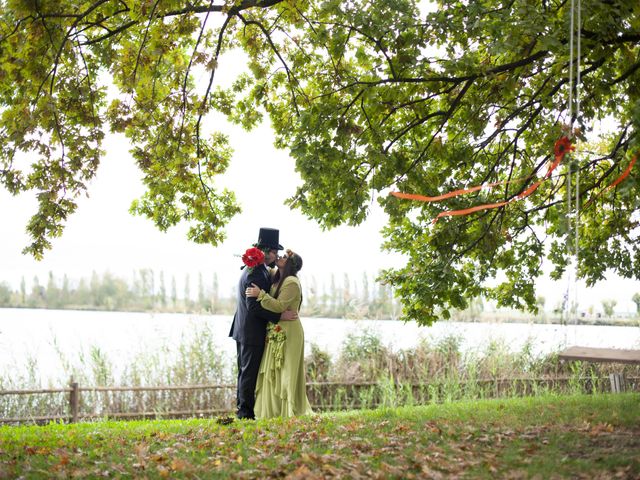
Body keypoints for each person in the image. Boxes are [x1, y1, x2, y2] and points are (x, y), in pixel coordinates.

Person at [229, 227, 296, 420]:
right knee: (248, 373)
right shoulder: (255, 274)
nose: (276, 256)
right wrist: (279, 317)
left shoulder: (258, 270)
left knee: (244, 372)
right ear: (265, 252)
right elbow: (253, 308)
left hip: (243, 329)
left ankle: (243, 409)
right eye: (274, 252)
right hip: (250, 331)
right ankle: (245, 413)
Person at [245, 248, 313, 419]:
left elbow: (279, 306)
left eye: (284, 257)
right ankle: (272, 410)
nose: (279, 257)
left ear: (290, 264)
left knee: (286, 371)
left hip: (289, 332)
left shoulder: (291, 281)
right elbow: (265, 265)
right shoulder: (277, 277)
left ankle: (289, 410)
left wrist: (260, 295)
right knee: (273, 371)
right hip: (277, 330)